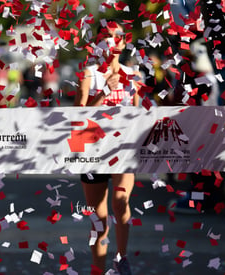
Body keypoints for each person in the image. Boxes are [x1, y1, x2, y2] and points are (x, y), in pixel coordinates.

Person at [74, 20, 140, 275]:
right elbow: (78, 116)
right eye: (107, 37)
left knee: (120, 202)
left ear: (124, 42)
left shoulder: (132, 75)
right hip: (92, 151)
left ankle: (121, 259)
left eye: (118, 37)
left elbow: (138, 115)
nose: (113, 42)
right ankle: (98, 269)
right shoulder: (89, 73)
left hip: (122, 149)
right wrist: (104, 93)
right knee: (97, 217)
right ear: (98, 44)